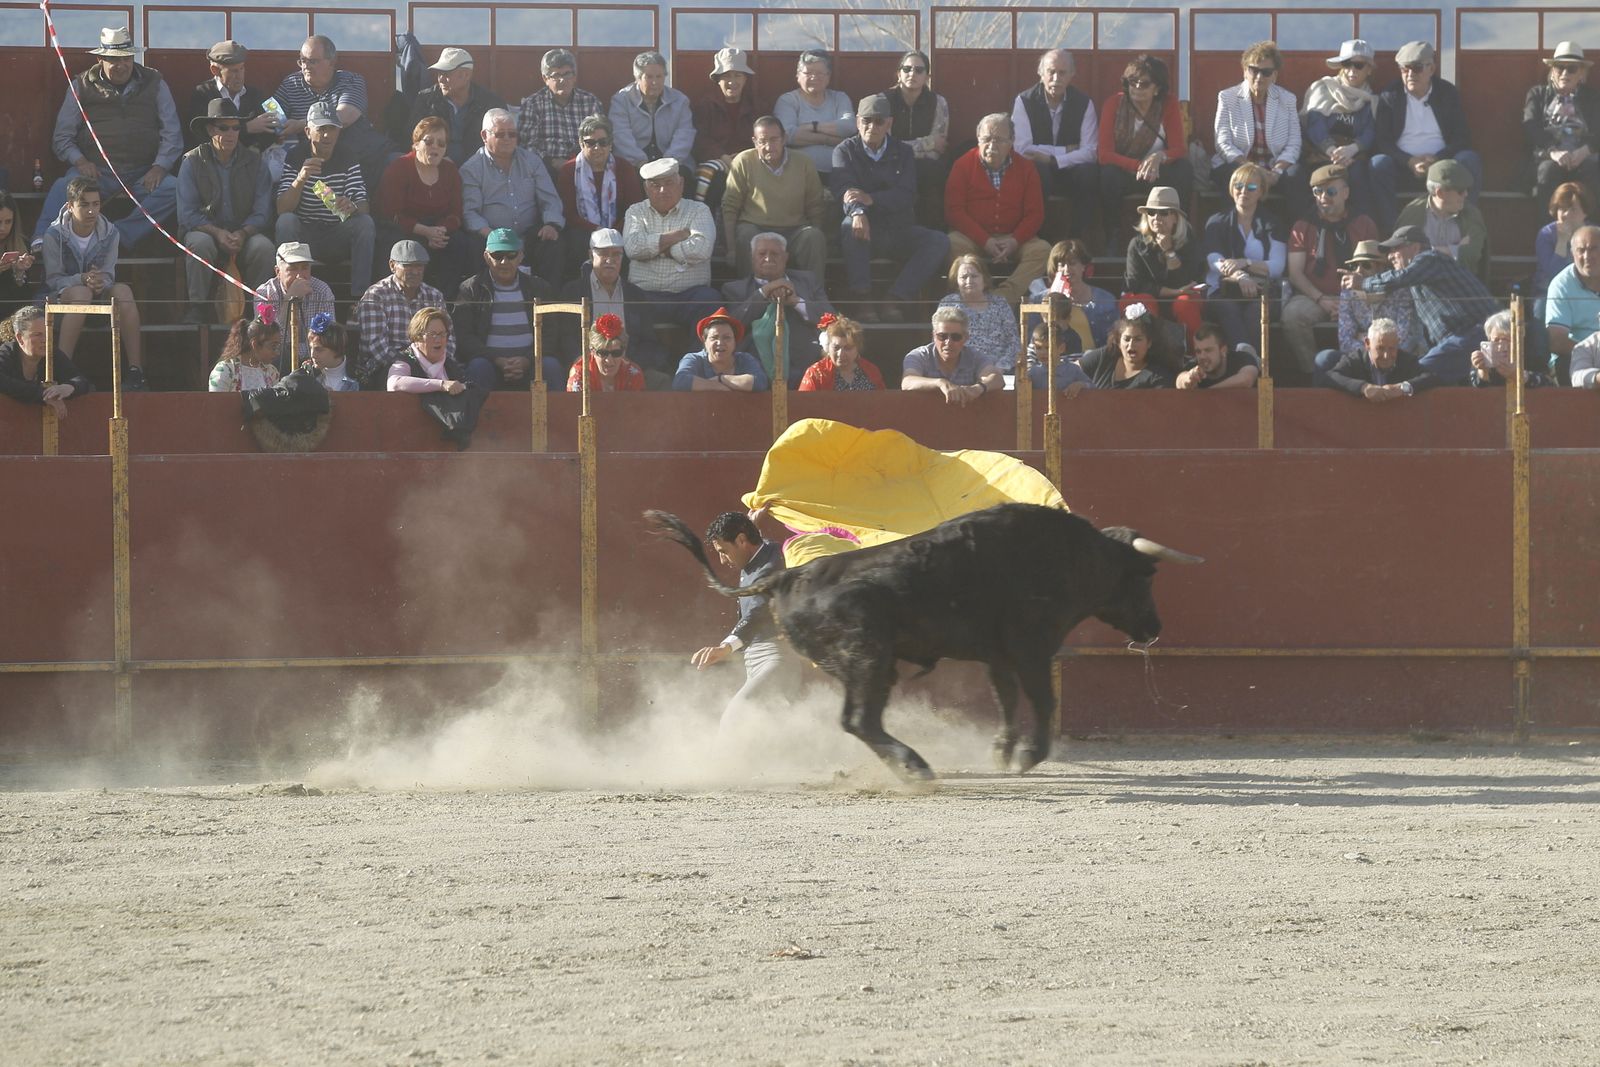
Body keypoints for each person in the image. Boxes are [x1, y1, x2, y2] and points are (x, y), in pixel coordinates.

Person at [33, 27, 181, 250]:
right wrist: (80, 162)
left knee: (174, 188)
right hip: (98, 173)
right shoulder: (80, 86)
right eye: (114, 60)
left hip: (143, 173)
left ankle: (117, 237)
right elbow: (62, 137)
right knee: (64, 186)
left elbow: (172, 133)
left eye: (126, 59)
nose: (121, 66)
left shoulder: (155, 83)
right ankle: (42, 238)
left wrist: (160, 166)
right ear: (101, 58)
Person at [833, 95, 950, 323]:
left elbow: (906, 195)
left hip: (898, 229)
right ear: (857, 122)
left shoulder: (903, 152)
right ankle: (863, 299)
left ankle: (895, 298)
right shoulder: (844, 151)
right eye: (866, 120)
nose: (871, 127)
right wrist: (858, 211)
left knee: (938, 241)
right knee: (850, 227)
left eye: (879, 121)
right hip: (865, 232)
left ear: (889, 123)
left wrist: (871, 199)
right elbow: (844, 189)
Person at [1342, 224, 1496, 385]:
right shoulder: (1419, 276)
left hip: (1474, 334)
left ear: (1414, 247)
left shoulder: (1429, 258)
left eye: (1395, 249)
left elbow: (1400, 277)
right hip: (1462, 339)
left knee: (1418, 373)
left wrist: (1364, 282)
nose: (1390, 256)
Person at [688, 510, 794, 735]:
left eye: (724, 551)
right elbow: (762, 545)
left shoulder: (770, 566)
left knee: (734, 720)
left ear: (742, 540)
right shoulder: (761, 553)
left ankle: (723, 770)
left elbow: (757, 610)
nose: (723, 560)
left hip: (775, 659)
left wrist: (726, 646)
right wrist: (750, 525)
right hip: (756, 662)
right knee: (768, 733)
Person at [177, 99, 274, 324]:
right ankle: (197, 308)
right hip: (207, 233)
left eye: (236, 127)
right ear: (210, 129)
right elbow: (187, 214)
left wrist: (242, 233)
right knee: (199, 243)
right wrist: (218, 233)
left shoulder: (256, 162)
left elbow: (263, 212)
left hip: (244, 234)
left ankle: (257, 310)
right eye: (224, 128)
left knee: (264, 247)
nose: (231, 133)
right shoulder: (191, 161)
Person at [41, 177, 144, 389]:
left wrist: (100, 283)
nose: (91, 211)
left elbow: (108, 273)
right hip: (63, 299)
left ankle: (136, 371)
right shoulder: (53, 235)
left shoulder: (110, 232)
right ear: (70, 206)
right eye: (84, 204)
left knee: (123, 291)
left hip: (98, 294)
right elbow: (53, 281)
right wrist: (81, 279)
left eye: (95, 204)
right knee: (81, 294)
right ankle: (61, 369)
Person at [1281, 164, 1379, 374]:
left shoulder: (1364, 224)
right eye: (1318, 192)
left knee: (1380, 316)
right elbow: (1295, 274)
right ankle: (1314, 375)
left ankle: (1365, 371)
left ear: (1346, 193)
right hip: (1315, 296)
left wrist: (1346, 302)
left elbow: (1373, 270)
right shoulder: (1303, 226)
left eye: (1331, 191)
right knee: (1292, 315)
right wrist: (1321, 300)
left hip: (1356, 295)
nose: (1324, 197)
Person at [274, 100, 376, 299]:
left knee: (365, 224)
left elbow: (363, 206)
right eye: (321, 129)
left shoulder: (347, 156)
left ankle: (359, 299)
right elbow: (281, 208)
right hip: (303, 237)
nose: (327, 135)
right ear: (307, 131)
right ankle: (287, 293)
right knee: (286, 222)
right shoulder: (296, 156)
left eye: (332, 129)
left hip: (336, 235)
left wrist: (352, 207)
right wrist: (300, 179)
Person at [944, 114, 1050, 304]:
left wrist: (1014, 241)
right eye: (986, 139)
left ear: (1012, 141)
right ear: (978, 139)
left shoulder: (1026, 168)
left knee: (1042, 250)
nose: (992, 145)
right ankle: (981, 294)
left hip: (1014, 237)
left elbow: (1035, 214)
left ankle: (1004, 298)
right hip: (974, 239)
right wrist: (985, 241)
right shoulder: (962, 166)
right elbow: (955, 211)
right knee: (952, 242)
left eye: (999, 140)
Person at [1373, 42, 1484, 220]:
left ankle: (1465, 223)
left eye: (1416, 69)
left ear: (1431, 69)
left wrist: (1437, 159)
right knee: (1378, 164)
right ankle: (1391, 229)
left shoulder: (1447, 93)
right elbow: (1383, 141)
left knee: (1469, 159)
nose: (1410, 75)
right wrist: (1409, 161)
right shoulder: (1390, 95)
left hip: (1442, 163)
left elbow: (1462, 137)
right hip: (1402, 165)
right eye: (1404, 69)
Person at [273, 35, 394, 193]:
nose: (306, 66)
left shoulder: (351, 81)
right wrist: (278, 126)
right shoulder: (291, 83)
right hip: (313, 161)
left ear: (331, 62)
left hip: (357, 156)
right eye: (302, 61)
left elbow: (344, 116)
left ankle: (379, 215)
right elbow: (271, 109)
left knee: (397, 164)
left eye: (313, 61)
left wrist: (299, 125)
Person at [461, 108, 566, 287]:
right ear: (484, 136)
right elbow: (470, 213)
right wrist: (492, 235)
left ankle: (550, 305)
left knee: (554, 244)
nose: (508, 139)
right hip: (491, 236)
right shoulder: (471, 169)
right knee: (471, 245)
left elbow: (550, 200)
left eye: (512, 134)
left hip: (530, 234)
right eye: (501, 134)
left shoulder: (532, 161)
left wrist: (551, 224)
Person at [451, 228, 562, 391]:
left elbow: (551, 333)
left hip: (531, 363)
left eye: (511, 255)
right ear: (487, 257)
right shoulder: (471, 289)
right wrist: (497, 359)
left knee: (550, 366)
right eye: (498, 256)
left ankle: (556, 417)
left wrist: (527, 360)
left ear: (521, 256)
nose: (504, 262)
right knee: (477, 367)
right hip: (489, 363)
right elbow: (464, 335)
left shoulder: (539, 287)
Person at [721, 231, 835, 384]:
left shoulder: (808, 281)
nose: (768, 258)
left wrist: (796, 302)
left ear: (786, 257)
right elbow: (732, 325)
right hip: (756, 368)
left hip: (806, 363)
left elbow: (831, 319)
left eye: (775, 253)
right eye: (762, 253)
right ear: (752, 257)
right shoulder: (734, 289)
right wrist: (764, 292)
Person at [721, 116, 827, 279]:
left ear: (784, 139)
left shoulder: (803, 162)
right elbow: (730, 206)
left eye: (774, 139)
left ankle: (813, 298)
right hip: (756, 227)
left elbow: (815, 205)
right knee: (745, 235)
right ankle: (752, 298)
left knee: (813, 237)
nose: (769, 147)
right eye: (762, 141)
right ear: (755, 141)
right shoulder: (744, 161)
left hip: (794, 230)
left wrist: (817, 230)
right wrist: (731, 250)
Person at [623, 159, 721, 330]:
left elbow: (701, 249)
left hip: (689, 295)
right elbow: (633, 248)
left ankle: (697, 357)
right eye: (655, 185)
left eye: (669, 183)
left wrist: (657, 249)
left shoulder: (699, 210)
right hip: (645, 295)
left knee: (710, 300)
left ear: (681, 183)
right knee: (624, 301)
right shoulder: (635, 211)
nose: (663, 190)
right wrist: (678, 235)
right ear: (646, 188)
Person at [1012, 49, 1098, 239]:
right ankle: (1038, 237)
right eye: (1051, 71)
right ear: (1041, 74)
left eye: (1062, 72)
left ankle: (1077, 238)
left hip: (1070, 170)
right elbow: (1022, 148)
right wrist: (1064, 151)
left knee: (1089, 173)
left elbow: (1091, 151)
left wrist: (1054, 159)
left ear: (1072, 75)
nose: (1056, 78)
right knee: (1037, 170)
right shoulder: (1024, 101)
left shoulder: (1084, 103)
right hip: (1041, 171)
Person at [377, 116, 469, 292]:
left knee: (459, 243)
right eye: (429, 141)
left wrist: (440, 231)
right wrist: (425, 231)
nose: (435, 146)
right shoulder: (399, 168)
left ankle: (445, 301)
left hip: (438, 230)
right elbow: (391, 214)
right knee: (394, 242)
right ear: (416, 144)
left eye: (441, 143)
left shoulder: (450, 172)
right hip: (405, 229)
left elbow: (456, 213)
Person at [556, 228, 667, 374]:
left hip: (629, 370)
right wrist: (583, 363)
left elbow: (648, 340)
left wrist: (630, 365)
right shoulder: (573, 292)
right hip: (586, 370)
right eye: (603, 253)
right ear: (591, 255)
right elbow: (566, 338)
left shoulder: (635, 294)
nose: (610, 260)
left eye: (616, 254)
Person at [1204, 162, 1285, 356]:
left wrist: (1245, 262)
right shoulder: (1216, 221)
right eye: (1238, 186)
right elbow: (1214, 259)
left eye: (1251, 187)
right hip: (1223, 291)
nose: (1243, 192)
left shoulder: (1273, 223)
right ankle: (1247, 359)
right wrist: (1240, 275)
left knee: (1255, 311)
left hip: (1263, 292)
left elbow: (1277, 266)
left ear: (1262, 191)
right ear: (1231, 189)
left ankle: (1250, 365)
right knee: (1227, 307)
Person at [1098, 54, 1191, 217]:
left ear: (1157, 88)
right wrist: (1140, 166)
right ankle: (1112, 234)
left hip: (1157, 173)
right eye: (1133, 82)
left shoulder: (1168, 104)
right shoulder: (1113, 104)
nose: (1137, 88)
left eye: (1145, 84)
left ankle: (1180, 227)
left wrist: (1159, 157)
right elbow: (1104, 154)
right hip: (1125, 171)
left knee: (1184, 169)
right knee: (1108, 175)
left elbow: (1179, 149)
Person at [1300, 39, 1382, 224]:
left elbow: (1370, 131)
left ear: (1369, 69)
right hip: (1321, 155)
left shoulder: (1371, 101)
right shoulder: (1323, 88)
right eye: (1347, 64)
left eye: (1359, 65)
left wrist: (1352, 149)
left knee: (1359, 177)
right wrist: (1332, 151)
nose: (1352, 70)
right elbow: (1315, 124)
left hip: (1354, 158)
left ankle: (1363, 231)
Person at [1319, 239, 1420, 386]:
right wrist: (1374, 351)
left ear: (1382, 270)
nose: (1358, 271)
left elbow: (1404, 341)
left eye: (1366, 265)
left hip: (1395, 359)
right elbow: (1345, 341)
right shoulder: (1348, 292)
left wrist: (1363, 337)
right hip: (1362, 360)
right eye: (1355, 266)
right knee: (1324, 359)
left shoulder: (1401, 292)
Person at [355, 240, 454, 388]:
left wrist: (435, 364)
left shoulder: (434, 296)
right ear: (392, 265)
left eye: (419, 266)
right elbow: (377, 348)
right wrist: (414, 365)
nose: (415, 271)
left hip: (430, 364)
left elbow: (449, 340)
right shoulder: (375, 296)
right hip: (384, 367)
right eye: (408, 266)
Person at [556, 115, 643, 274]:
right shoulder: (568, 171)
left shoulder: (624, 167)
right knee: (576, 241)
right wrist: (597, 229)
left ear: (610, 144)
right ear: (581, 144)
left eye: (603, 142)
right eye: (590, 143)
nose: (597, 148)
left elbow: (634, 208)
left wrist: (613, 231)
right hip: (583, 231)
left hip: (620, 228)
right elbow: (567, 213)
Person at [1210, 41, 1300, 195]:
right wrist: (1252, 170)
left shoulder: (1288, 100)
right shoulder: (1227, 97)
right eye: (1254, 70)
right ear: (1245, 71)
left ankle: (1294, 220)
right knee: (1233, 177)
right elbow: (1223, 143)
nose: (1259, 77)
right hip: (1239, 165)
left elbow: (1294, 143)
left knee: (1296, 175)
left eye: (1266, 72)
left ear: (1274, 75)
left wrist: (1277, 172)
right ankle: (1235, 219)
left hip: (1273, 169)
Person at [1122, 186, 1208, 346]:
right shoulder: (1136, 244)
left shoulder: (1189, 242)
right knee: (1141, 301)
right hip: (1152, 298)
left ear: (1175, 217)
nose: (1156, 217)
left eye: (1163, 213)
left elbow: (1188, 281)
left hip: (1181, 298)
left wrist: (1169, 252)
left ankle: (1195, 351)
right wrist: (1174, 292)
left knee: (1186, 302)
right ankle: (1147, 352)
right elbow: (1135, 285)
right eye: (1151, 213)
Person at [1522, 42, 1600, 208]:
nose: (1564, 73)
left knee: (1594, 170)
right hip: (1548, 157)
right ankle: (1548, 231)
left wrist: (1586, 150)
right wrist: (1554, 151)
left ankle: (1592, 230)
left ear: (1581, 73)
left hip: (1584, 157)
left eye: (1571, 69)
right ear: (1552, 71)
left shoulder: (1593, 98)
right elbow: (1530, 128)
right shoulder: (1537, 94)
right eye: (1559, 67)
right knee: (1548, 171)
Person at [882, 50, 950, 227]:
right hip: (890, 163)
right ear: (898, 74)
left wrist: (905, 148)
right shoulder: (883, 101)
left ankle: (933, 237)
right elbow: (883, 146)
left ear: (927, 76)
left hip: (925, 165)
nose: (912, 74)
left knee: (933, 173)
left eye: (919, 70)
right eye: (907, 69)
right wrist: (926, 143)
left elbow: (939, 146)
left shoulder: (938, 102)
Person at [407, 48, 506, 168]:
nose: (441, 79)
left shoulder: (491, 104)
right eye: (439, 73)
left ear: (466, 75)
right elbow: (413, 138)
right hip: (434, 166)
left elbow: (501, 143)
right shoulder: (426, 100)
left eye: (446, 74)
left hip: (479, 169)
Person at [1395, 159, 1490, 281]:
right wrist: (1454, 250)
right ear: (1440, 193)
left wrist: (1424, 251)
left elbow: (1471, 254)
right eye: (1460, 191)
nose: (1466, 194)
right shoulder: (1412, 214)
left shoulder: (1471, 215)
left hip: (1459, 285)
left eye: (1467, 190)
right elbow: (1403, 257)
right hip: (1421, 285)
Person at [692, 46, 758, 216]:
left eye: (738, 75)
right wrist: (725, 158)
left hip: (748, 159)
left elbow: (761, 137)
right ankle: (708, 222)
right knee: (715, 177)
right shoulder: (705, 105)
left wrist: (742, 158)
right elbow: (700, 140)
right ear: (718, 80)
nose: (732, 82)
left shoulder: (756, 105)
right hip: (716, 160)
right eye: (727, 76)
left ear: (745, 79)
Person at [517, 49, 604, 174]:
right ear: (545, 79)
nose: (562, 80)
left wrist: (579, 160)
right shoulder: (533, 104)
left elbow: (601, 139)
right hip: (547, 168)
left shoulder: (590, 102)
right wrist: (552, 162)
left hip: (586, 165)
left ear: (574, 77)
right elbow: (527, 146)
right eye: (556, 75)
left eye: (567, 74)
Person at [184, 40, 277, 154]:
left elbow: (272, 129)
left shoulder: (255, 94)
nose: (239, 76)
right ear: (215, 70)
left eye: (241, 69)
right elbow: (200, 135)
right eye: (233, 71)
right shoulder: (203, 94)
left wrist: (255, 149)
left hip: (250, 161)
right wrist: (246, 128)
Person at [1026, 238, 1118, 352]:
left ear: (1083, 266)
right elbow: (1031, 343)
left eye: (1072, 263)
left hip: (1093, 363)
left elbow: (1112, 341)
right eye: (1061, 265)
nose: (1066, 269)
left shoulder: (1105, 299)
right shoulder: (1038, 300)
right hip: (1051, 364)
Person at [254, 241, 336, 369]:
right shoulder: (264, 293)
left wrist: (302, 353)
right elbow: (267, 343)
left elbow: (327, 341)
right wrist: (288, 300)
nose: (300, 275)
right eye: (292, 268)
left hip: (314, 361)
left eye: (305, 268)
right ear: (277, 271)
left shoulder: (322, 291)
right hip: (276, 362)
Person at [609, 50, 695, 170]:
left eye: (659, 76)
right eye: (649, 77)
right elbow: (621, 136)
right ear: (637, 78)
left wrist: (668, 164)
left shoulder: (680, 101)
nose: (655, 82)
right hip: (634, 163)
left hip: (673, 163)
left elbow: (684, 135)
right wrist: (641, 163)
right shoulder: (621, 100)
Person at [0, 306, 93, 416]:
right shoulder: (6, 353)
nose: (45, 340)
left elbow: (82, 381)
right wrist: (43, 395)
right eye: (37, 334)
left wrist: (69, 386)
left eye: (48, 333)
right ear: (20, 338)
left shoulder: (53, 354)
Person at [775, 50, 854, 178]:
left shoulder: (839, 98)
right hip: (799, 174)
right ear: (798, 75)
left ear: (828, 76)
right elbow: (787, 135)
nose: (814, 77)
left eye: (820, 73)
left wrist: (813, 126)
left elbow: (849, 127)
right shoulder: (788, 100)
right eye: (808, 73)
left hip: (840, 172)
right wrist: (828, 140)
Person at [901, 306, 1002, 403]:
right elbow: (907, 382)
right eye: (942, 336)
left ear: (966, 338)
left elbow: (997, 378)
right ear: (933, 336)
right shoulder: (919, 356)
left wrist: (977, 389)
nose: (948, 342)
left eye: (956, 337)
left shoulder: (975, 357)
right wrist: (940, 383)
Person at [1322, 316, 1436, 400]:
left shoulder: (1406, 360)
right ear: (1367, 343)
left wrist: (1402, 388)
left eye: (1392, 348)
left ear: (1398, 343)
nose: (1386, 356)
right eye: (1380, 348)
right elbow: (1330, 377)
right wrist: (1363, 387)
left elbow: (1431, 377)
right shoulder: (1354, 360)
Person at [387, 305, 494, 394]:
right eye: (432, 334)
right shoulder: (405, 360)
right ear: (417, 337)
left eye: (442, 334)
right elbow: (394, 384)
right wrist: (441, 384)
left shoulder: (450, 366)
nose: (438, 339)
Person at [940, 254, 1019, 373]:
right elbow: (941, 341)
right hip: (960, 370)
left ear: (985, 279)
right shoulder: (948, 304)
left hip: (997, 371)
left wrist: (1000, 368)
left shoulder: (1000, 304)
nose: (969, 281)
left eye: (974, 276)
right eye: (963, 277)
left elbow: (1014, 342)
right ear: (956, 281)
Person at [1544, 224, 1600, 379]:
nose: (1587, 256)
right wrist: (1592, 355)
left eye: (1593, 248)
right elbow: (1557, 341)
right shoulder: (1561, 285)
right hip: (1574, 358)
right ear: (1572, 254)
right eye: (1581, 250)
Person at [673, 307, 768, 392]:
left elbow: (760, 382)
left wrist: (721, 379)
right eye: (714, 338)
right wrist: (716, 386)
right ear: (704, 341)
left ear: (735, 341)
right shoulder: (693, 359)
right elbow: (680, 381)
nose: (720, 343)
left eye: (726, 338)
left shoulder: (745, 359)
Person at [1076, 308, 1176, 389]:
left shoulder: (1159, 377)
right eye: (1127, 339)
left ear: (1149, 343)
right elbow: (1070, 371)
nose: (1131, 345)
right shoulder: (1105, 356)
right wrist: (1080, 384)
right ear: (1119, 341)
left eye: (1138, 339)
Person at [798, 314, 885, 391]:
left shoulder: (871, 371)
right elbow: (804, 406)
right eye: (836, 348)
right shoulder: (815, 374)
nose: (840, 354)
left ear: (857, 348)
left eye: (848, 348)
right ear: (828, 347)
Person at [1535, 181, 1593, 298]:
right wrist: (1561, 242)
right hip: (1550, 292)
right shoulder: (1546, 234)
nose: (1566, 214)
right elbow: (1553, 273)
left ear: (1584, 212)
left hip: (1588, 292)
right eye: (1562, 208)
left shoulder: (1595, 234)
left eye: (1573, 209)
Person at [1472, 310, 1556, 389]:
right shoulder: (1486, 361)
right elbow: (1474, 391)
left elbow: (1550, 385)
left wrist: (1519, 376)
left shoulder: (1533, 357)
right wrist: (1483, 371)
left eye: (1508, 340)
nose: (1501, 346)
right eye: (1496, 340)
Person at [567, 313, 646, 392]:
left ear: (623, 352)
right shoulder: (581, 376)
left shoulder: (633, 375)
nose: (609, 360)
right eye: (602, 353)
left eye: (616, 353)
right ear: (592, 351)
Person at [209, 311, 282, 392]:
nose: (277, 353)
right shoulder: (225, 370)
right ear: (255, 344)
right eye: (273, 346)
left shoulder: (272, 373)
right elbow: (216, 403)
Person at [1176, 323, 1259, 389]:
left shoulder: (1241, 358)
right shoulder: (1194, 367)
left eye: (1208, 350)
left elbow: (1246, 380)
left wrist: (1207, 393)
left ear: (1223, 350)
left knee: (1244, 349)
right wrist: (1188, 379)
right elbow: (1180, 380)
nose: (1202, 356)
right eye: (1198, 351)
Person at [1021, 317, 1093, 393]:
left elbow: (1093, 387)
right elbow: (1020, 392)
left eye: (1048, 348)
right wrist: (1019, 371)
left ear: (1061, 348)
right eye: (1038, 348)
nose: (1043, 352)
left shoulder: (1072, 370)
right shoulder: (1033, 373)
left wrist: (1080, 385)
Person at [0, 193, 38, 321]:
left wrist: (19, 272)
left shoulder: (21, 244)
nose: (3, 228)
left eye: (8, 222)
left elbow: (23, 296)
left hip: (13, 309)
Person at [307, 311, 359, 391]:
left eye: (319, 350)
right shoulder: (307, 375)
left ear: (336, 349)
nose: (313, 355)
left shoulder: (359, 376)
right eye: (311, 348)